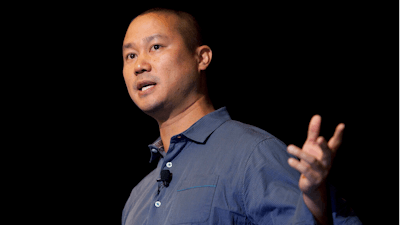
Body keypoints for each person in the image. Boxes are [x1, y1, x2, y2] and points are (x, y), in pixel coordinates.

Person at [121, 8, 361, 225]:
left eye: (155, 47)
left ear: (201, 58)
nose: (139, 65)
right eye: (130, 55)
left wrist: (315, 203)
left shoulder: (253, 153)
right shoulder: (137, 198)